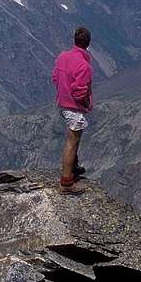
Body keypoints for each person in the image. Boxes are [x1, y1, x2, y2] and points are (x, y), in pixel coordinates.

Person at [52, 27, 92, 195]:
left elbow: (55, 77)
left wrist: (63, 92)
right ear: (88, 44)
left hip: (62, 104)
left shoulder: (62, 57)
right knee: (72, 141)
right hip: (74, 107)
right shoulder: (84, 65)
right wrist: (86, 103)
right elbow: (79, 91)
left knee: (75, 137)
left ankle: (73, 166)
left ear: (74, 41)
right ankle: (67, 182)